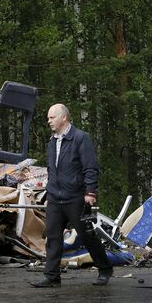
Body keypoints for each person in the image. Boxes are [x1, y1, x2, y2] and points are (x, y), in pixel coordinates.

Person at [31, 104, 113, 288]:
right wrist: (48, 192)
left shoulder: (80, 138)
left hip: (75, 197)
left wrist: (90, 192)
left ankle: (105, 269)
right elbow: (53, 170)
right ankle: (52, 277)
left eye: (52, 117)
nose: (49, 121)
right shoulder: (52, 141)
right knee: (53, 237)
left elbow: (90, 167)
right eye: (48, 117)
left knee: (86, 236)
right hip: (55, 197)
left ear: (63, 118)